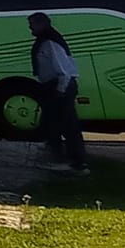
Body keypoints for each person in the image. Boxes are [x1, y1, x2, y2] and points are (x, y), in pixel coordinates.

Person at [28, 12, 88, 174]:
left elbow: (64, 71)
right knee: (53, 123)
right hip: (55, 86)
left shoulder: (50, 42)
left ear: (42, 24)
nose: (30, 28)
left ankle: (76, 162)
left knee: (67, 124)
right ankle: (61, 157)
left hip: (59, 86)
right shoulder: (47, 40)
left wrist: (60, 91)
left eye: (32, 24)